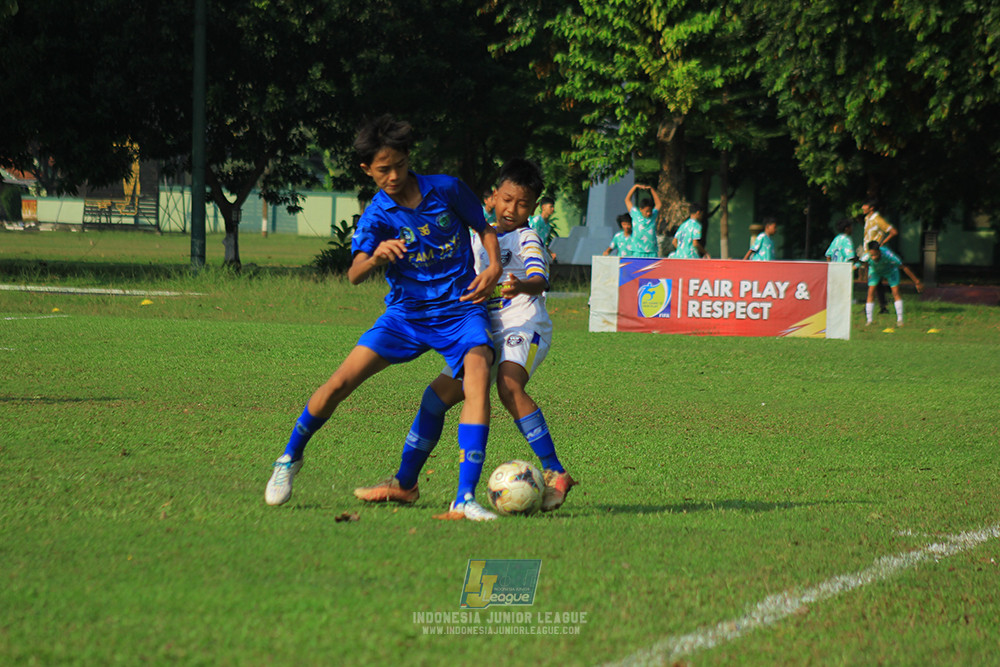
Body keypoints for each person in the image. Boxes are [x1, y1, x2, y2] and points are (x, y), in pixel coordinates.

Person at [264, 114, 503, 522]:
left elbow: (485, 228)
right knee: (338, 384)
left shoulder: (446, 189)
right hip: (405, 317)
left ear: (409, 158)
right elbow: (354, 274)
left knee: (478, 376)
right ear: (366, 170)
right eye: (382, 170)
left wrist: (493, 267)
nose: (392, 176)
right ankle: (289, 458)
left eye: (398, 166)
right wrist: (376, 256)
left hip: (460, 310)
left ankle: (464, 497)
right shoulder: (377, 215)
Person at [354, 158, 577, 515]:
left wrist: (522, 284)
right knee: (434, 399)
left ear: (534, 207)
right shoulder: (476, 236)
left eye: (522, 203)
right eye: (507, 199)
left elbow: (541, 276)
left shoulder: (527, 237)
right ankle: (405, 483)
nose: (512, 209)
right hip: (481, 330)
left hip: (523, 324)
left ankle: (556, 471)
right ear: (492, 198)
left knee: (508, 386)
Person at [864, 241, 923, 327]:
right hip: (875, 272)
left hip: (891, 271)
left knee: (895, 292)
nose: (873, 258)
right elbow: (856, 265)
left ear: (879, 251)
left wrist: (917, 281)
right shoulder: (866, 256)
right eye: (872, 255)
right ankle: (869, 320)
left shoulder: (888, 255)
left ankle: (900, 320)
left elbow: (903, 266)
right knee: (870, 292)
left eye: (875, 255)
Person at [860, 199, 898, 314]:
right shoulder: (867, 218)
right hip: (868, 253)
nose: (862, 207)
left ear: (871, 208)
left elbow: (893, 232)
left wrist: (881, 244)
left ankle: (877, 306)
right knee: (875, 281)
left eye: (865, 205)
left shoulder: (878, 219)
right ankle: (882, 306)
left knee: (874, 280)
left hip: (875, 254)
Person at [624, 184, 660, 257]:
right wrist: (635, 187)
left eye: (650, 211)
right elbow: (627, 200)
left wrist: (651, 190)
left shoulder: (653, 215)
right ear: (641, 209)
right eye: (646, 211)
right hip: (638, 251)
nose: (649, 213)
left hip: (652, 251)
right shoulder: (635, 214)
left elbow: (658, 204)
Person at [528, 196, 558, 261]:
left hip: (540, 255)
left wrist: (550, 253)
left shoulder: (548, 225)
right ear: (543, 207)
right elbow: (531, 239)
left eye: (553, 207)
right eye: (550, 207)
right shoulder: (537, 221)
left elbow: (542, 243)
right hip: (531, 255)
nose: (553, 209)